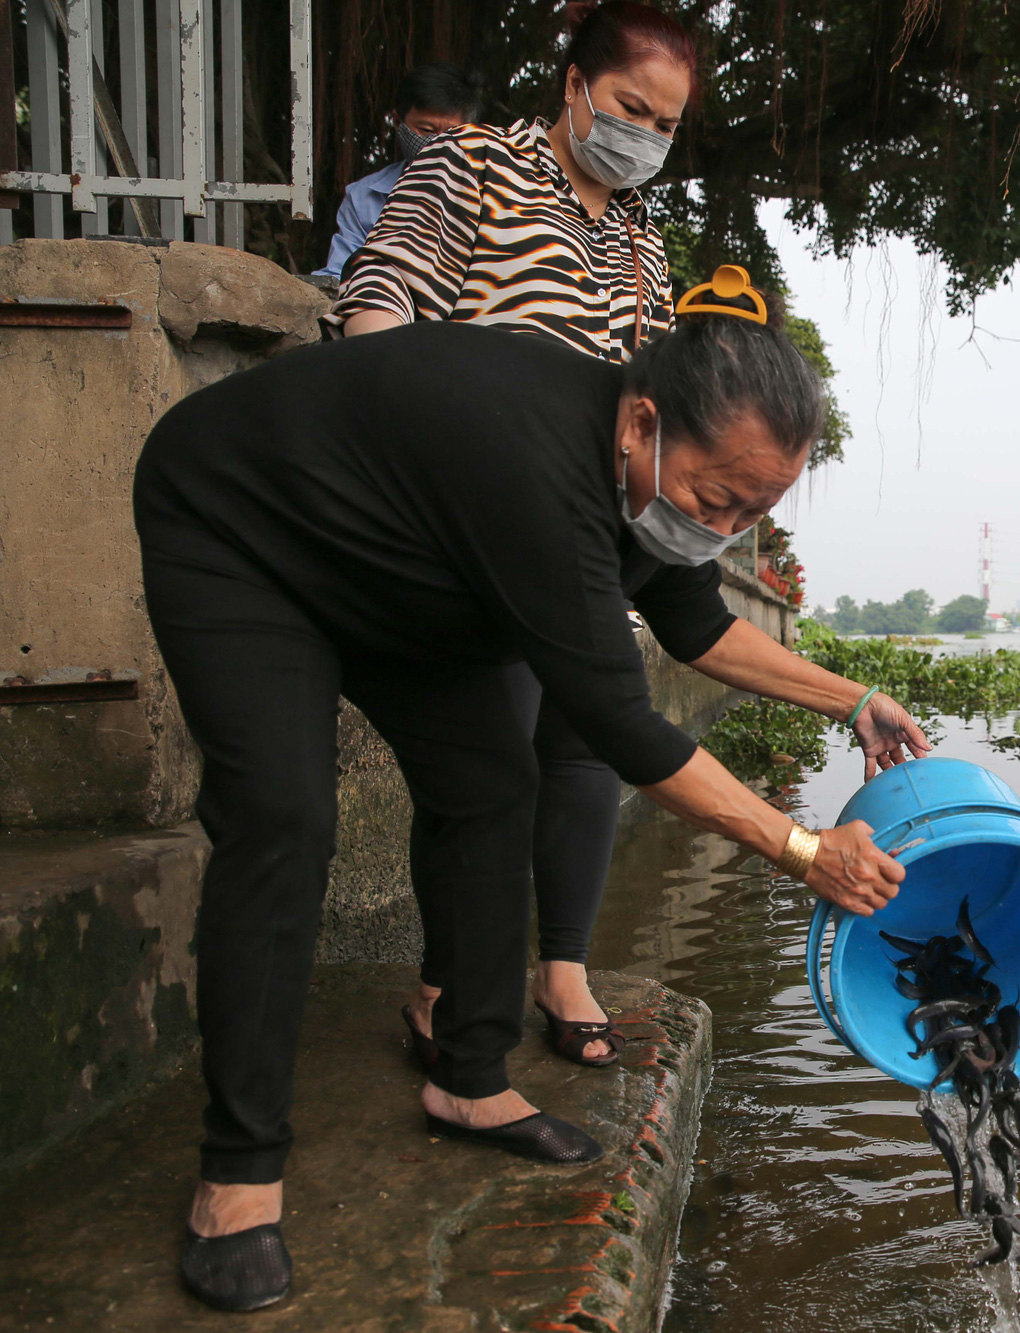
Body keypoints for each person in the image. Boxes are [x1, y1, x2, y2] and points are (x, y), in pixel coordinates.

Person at [135, 277, 930, 1312]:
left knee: (491, 786)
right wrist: (801, 848)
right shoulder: (535, 460)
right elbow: (621, 725)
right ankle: (238, 1174)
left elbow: (695, 625)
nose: (724, 527)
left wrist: (851, 697)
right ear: (644, 420)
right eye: (714, 499)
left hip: (405, 571)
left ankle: (468, 1078)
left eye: (754, 512)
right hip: (246, 534)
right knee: (282, 817)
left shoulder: (644, 479)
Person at [332, 2, 697, 1065]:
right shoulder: (473, 167)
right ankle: (450, 980)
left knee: (586, 739)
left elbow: (656, 393)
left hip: (585, 523)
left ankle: (565, 968)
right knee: (488, 755)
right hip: (472, 515)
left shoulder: (639, 235)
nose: (642, 138)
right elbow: (381, 294)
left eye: (665, 128)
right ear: (574, 86)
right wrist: (395, 448)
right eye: (631, 108)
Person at [313, 63, 481, 280]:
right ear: (396, 121)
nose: (439, 143)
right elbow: (340, 274)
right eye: (427, 131)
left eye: (453, 133)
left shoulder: (496, 193)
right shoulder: (364, 198)